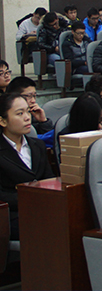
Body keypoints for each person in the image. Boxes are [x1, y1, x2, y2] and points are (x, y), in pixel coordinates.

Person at [0, 93, 54, 240]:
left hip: (42, 208)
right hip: (12, 215)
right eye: (20, 113)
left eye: (27, 112)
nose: (27, 117)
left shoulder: (38, 145)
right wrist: (33, 197)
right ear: (3, 121)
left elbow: (49, 180)